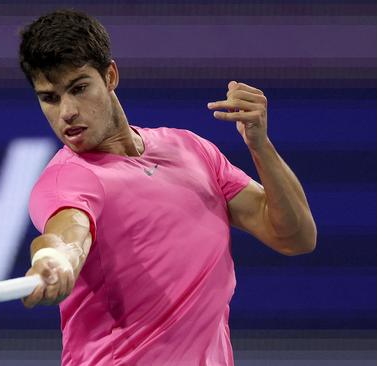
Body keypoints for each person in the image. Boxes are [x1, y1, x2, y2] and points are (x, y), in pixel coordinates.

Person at [18, 9, 316, 366]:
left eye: (79, 89)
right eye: (49, 98)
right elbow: (68, 232)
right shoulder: (68, 178)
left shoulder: (191, 150)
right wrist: (55, 259)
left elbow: (295, 237)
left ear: (110, 76)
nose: (66, 111)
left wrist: (259, 145)